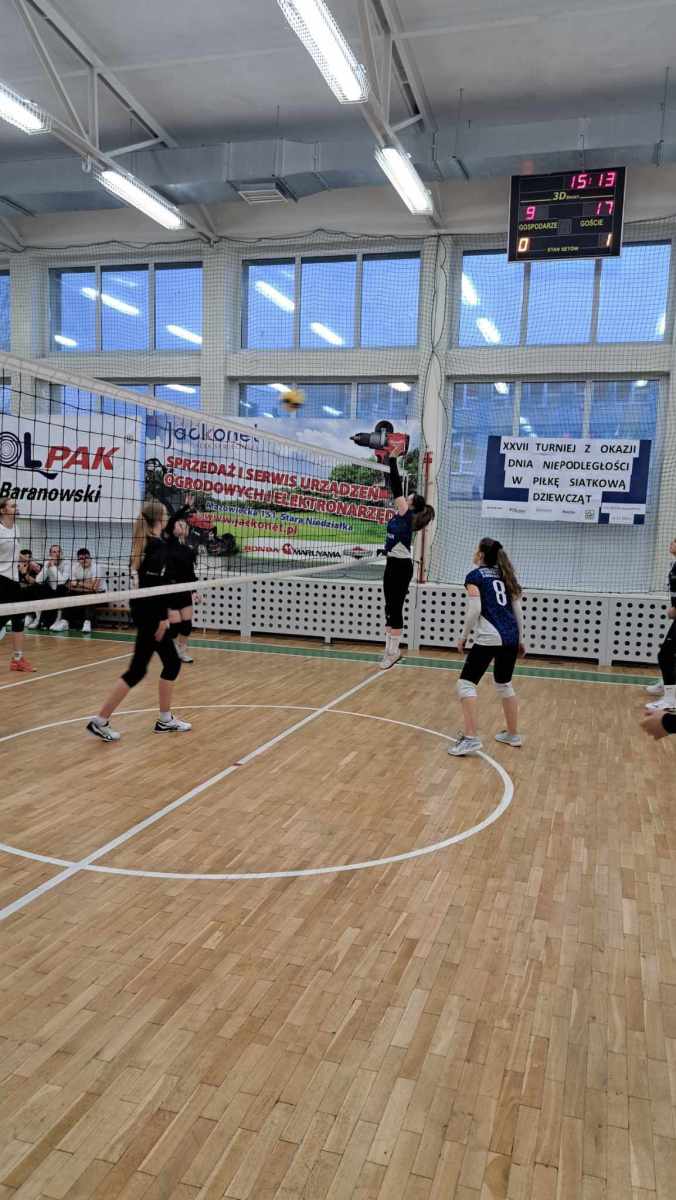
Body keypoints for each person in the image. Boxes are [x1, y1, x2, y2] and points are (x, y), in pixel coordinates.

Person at [87, 500, 191, 742]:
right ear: (159, 519)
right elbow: (153, 587)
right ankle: (100, 721)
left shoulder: (150, 543)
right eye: (166, 515)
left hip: (145, 612)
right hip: (150, 615)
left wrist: (184, 509)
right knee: (139, 670)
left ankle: (164, 719)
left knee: (169, 663)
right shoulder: (156, 548)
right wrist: (162, 618)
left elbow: (153, 584)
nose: (169, 519)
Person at [449, 537, 526, 757]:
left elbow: (475, 609)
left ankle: (471, 738)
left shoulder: (475, 576)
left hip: (491, 636)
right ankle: (513, 735)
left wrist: (463, 636)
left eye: (476, 549)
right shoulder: (505, 575)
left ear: (481, 554)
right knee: (504, 684)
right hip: (510, 636)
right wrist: (520, 639)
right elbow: (517, 610)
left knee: (465, 684)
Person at [380, 455, 435, 669]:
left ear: (410, 504)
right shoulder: (402, 515)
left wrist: (393, 461)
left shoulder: (406, 515)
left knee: (395, 609)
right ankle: (389, 650)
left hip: (401, 568)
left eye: (408, 497)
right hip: (392, 563)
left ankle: (393, 652)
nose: (406, 497)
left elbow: (395, 485)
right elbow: (392, 485)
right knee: (389, 607)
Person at [0, 499, 35, 672]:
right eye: (12, 505)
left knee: (19, 618)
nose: (16, 508)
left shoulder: (16, 527)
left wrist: (28, 561)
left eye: (16, 505)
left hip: (13, 580)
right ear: (2, 510)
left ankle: (17, 659)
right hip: (1, 579)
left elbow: (15, 550)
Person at [644, 537, 676, 713]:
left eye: (675, 542)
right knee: (669, 654)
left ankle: (670, 699)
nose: (671, 544)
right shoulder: (674, 566)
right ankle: (667, 683)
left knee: (665, 655)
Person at [166, 511, 198, 664]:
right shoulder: (169, 543)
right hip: (171, 589)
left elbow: (190, 573)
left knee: (186, 625)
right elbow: (171, 520)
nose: (182, 527)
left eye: (184, 525)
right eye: (179, 524)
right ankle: (172, 649)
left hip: (185, 589)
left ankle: (182, 650)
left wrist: (194, 591)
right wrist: (185, 507)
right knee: (175, 625)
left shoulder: (189, 550)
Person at [65, 548, 106, 633]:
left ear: (90, 558)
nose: (84, 560)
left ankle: (87, 622)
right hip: (81, 593)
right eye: (81, 558)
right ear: (78, 560)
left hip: (101, 596)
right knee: (68, 593)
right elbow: (70, 586)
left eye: (86, 557)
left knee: (90, 594)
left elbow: (94, 587)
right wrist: (87, 584)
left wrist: (78, 583)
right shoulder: (75, 567)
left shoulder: (96, 567)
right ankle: (64, 621)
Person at [32, 545, 70, 630]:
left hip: (62, 591)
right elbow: (38, 580)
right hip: (51, 591)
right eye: (54, 552)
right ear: (50, 554)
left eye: (59, 551)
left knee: (61, 588)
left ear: (62, 553)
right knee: (37, 587)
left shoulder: (67, 563)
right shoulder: (47, 562)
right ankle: (37, 619)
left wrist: (53, 567)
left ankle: (58, 620)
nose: (57, 554)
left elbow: (62, 581)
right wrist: (46, 567)